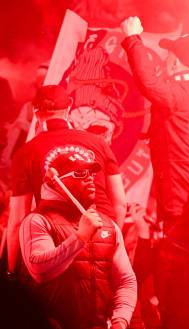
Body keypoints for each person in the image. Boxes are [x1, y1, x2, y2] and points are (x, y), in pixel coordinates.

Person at [18, 150, 136, 329]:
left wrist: (121, 319)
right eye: (80, 173)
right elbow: (40, 270)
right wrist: (80, 238)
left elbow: (125, 281)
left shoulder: (108, 226)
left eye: (91, 173)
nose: (90, 179)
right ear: (56, 183)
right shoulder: (36, 221)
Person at [7, 84, 127, 275]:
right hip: (102, 232)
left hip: (58, 240)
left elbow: (17, 220)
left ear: (36, 112)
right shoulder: (99, 143)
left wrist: (10, 272)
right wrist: (110, 240)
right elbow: (120, 203)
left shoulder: (25, 153)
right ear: (69, 107)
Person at [120, 15, 189, 231]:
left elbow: (149, 83)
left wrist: (132, 39)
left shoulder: (180, 94)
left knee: (170, 254)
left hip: (179, 200)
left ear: (175, 62)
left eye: (168, 56)